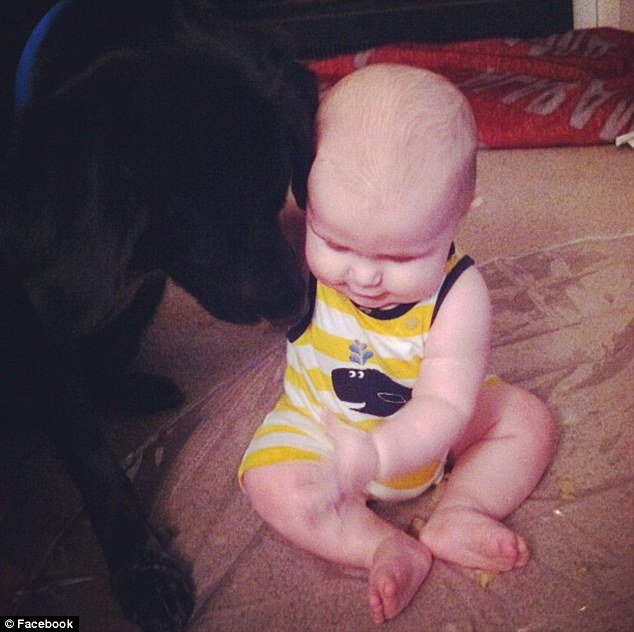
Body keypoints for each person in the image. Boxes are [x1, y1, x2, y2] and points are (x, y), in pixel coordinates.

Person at [239, 64, 555, 624]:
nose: (363, 276)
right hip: (321, 425)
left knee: (528, 421)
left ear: (457, 218)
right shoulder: (297, 257)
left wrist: (381, 454)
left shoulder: (459, 295)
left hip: (435, 433)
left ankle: (462, 509)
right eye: (334, 242)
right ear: (308, 201)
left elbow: (446, 403)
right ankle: (382, 547)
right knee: (268, 481)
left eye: (401, 257)